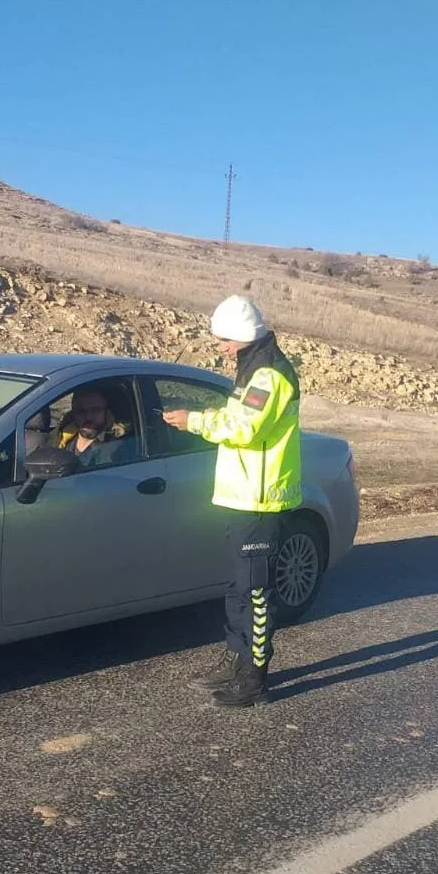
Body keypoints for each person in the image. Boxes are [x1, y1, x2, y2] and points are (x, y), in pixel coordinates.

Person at [162, 295, 302, 707]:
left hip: (260, 501)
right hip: (242, 497)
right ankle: (237, 660)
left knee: (256, 594)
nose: (219, 346)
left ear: (240, 336)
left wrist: (195, 422)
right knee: (239, 588)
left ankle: (255, 680)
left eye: (223, 339)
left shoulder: (269, 375)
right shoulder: (253, 369)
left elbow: (243, 429)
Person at [49, 386, 138, 468]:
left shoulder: (119, 446)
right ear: (73, 413)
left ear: (107, 412)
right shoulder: (57, 438)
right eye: (81, 411)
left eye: (95, 410)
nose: (88, 417)